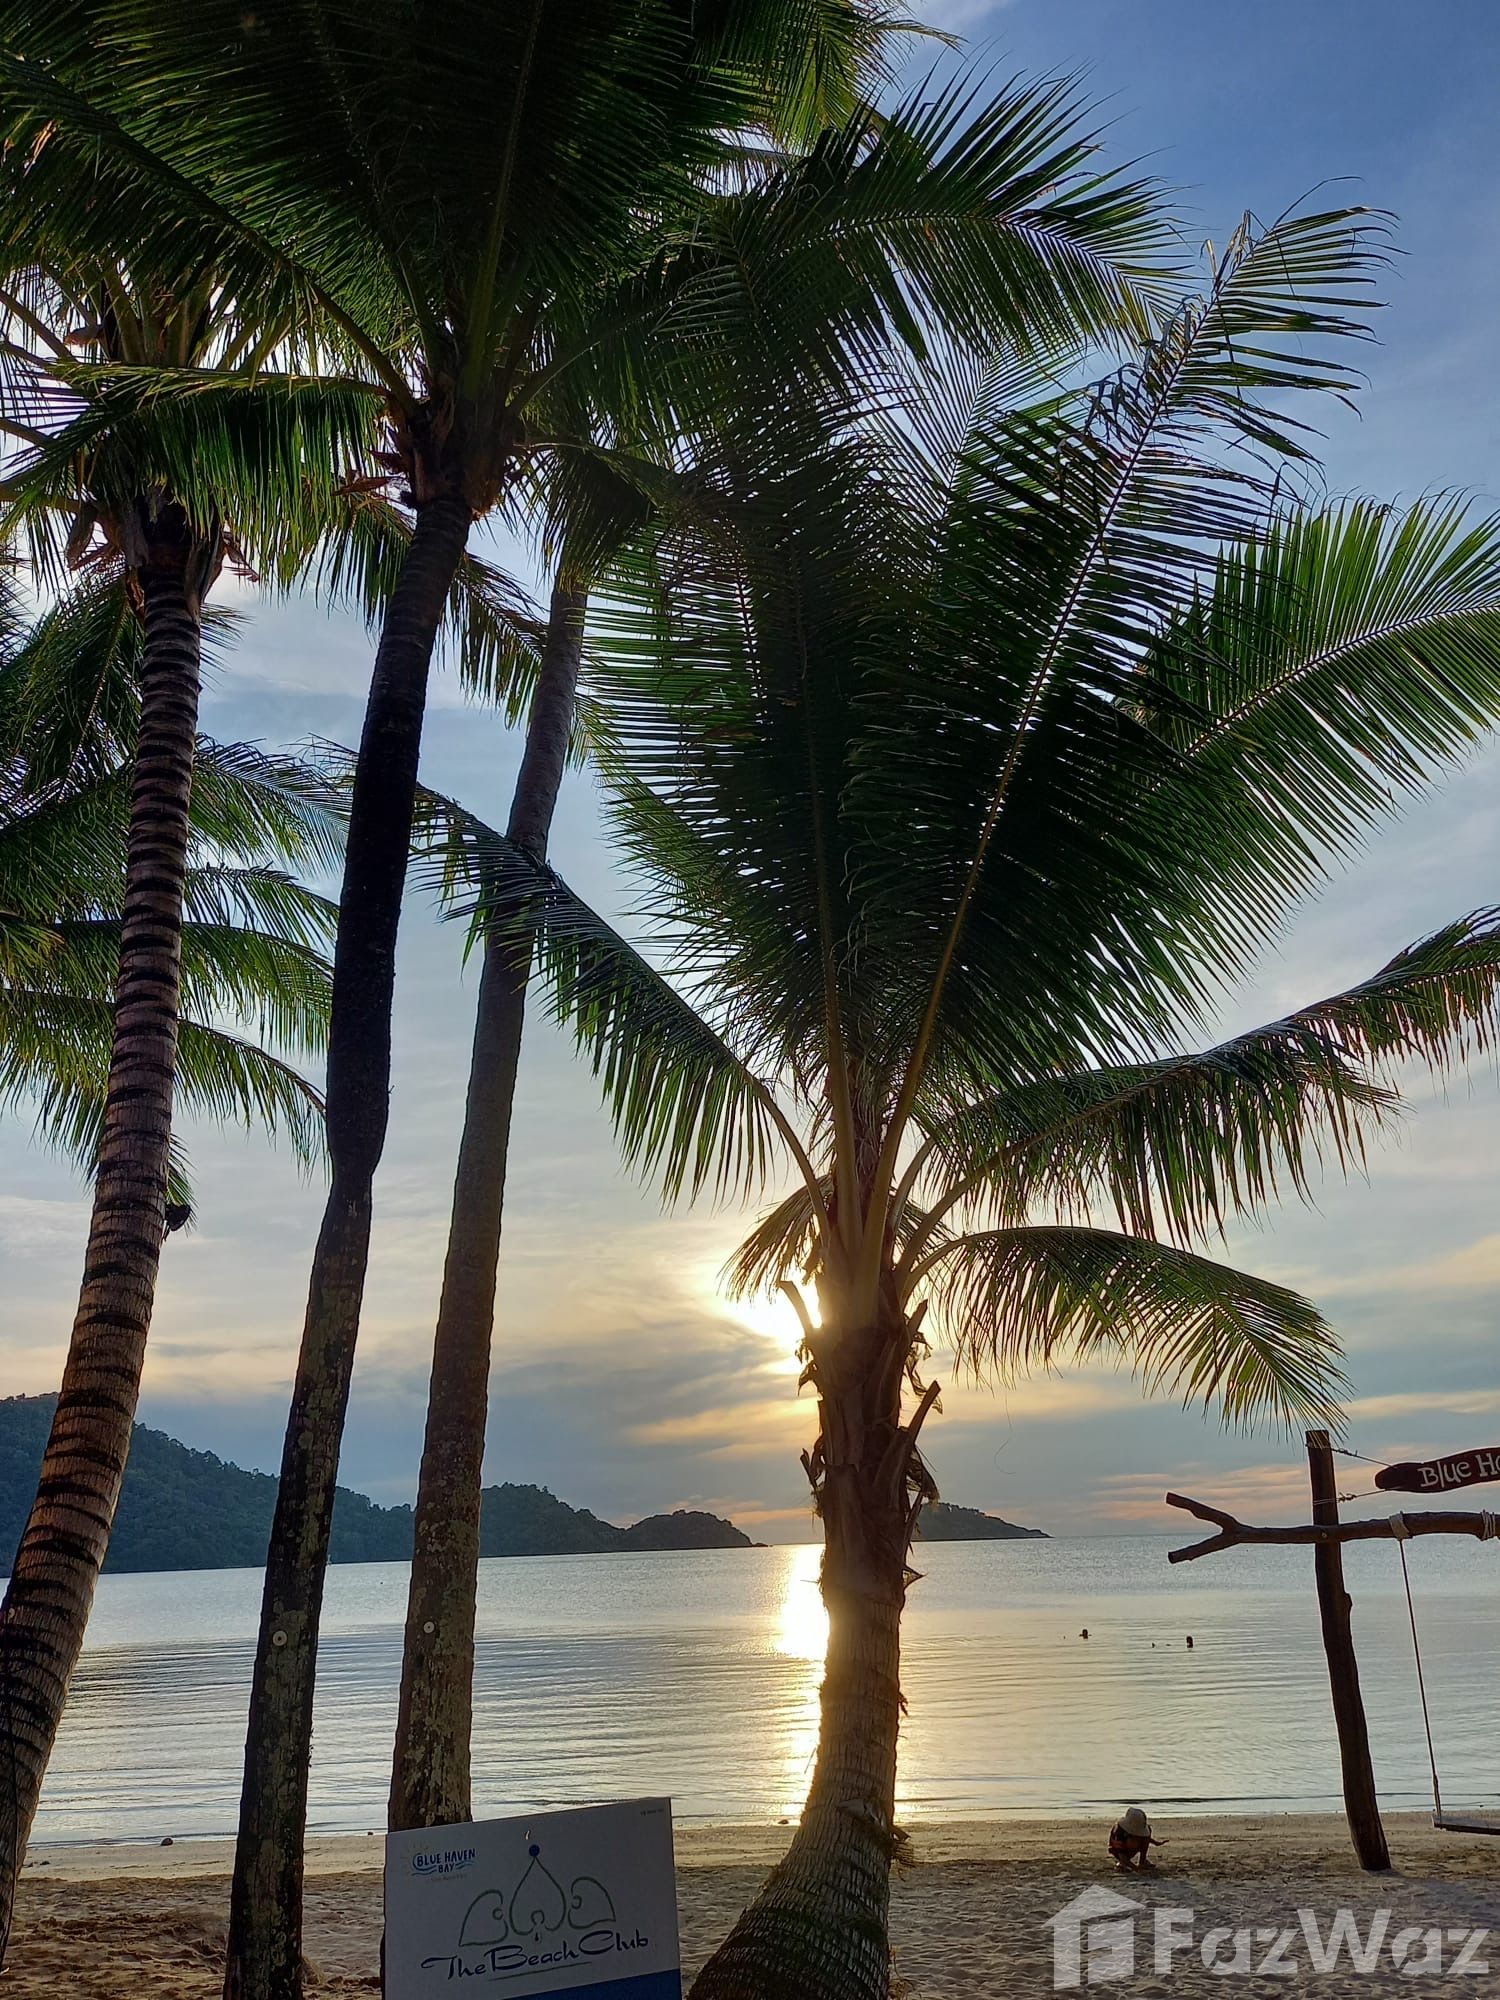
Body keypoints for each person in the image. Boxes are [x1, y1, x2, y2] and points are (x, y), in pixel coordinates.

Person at [1108, 1806, 1165, 1871]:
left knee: (1145, 1839)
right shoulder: (1118, 1832)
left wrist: (1155, 1842)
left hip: (1131, 1845)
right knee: (1123, 1858)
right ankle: (1122, 1863)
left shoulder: (1145, 1829)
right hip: (1118, 1848)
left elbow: (1146, 1838)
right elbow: (1120, 1851)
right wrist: (1135, 1868)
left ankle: (1142, 1862)